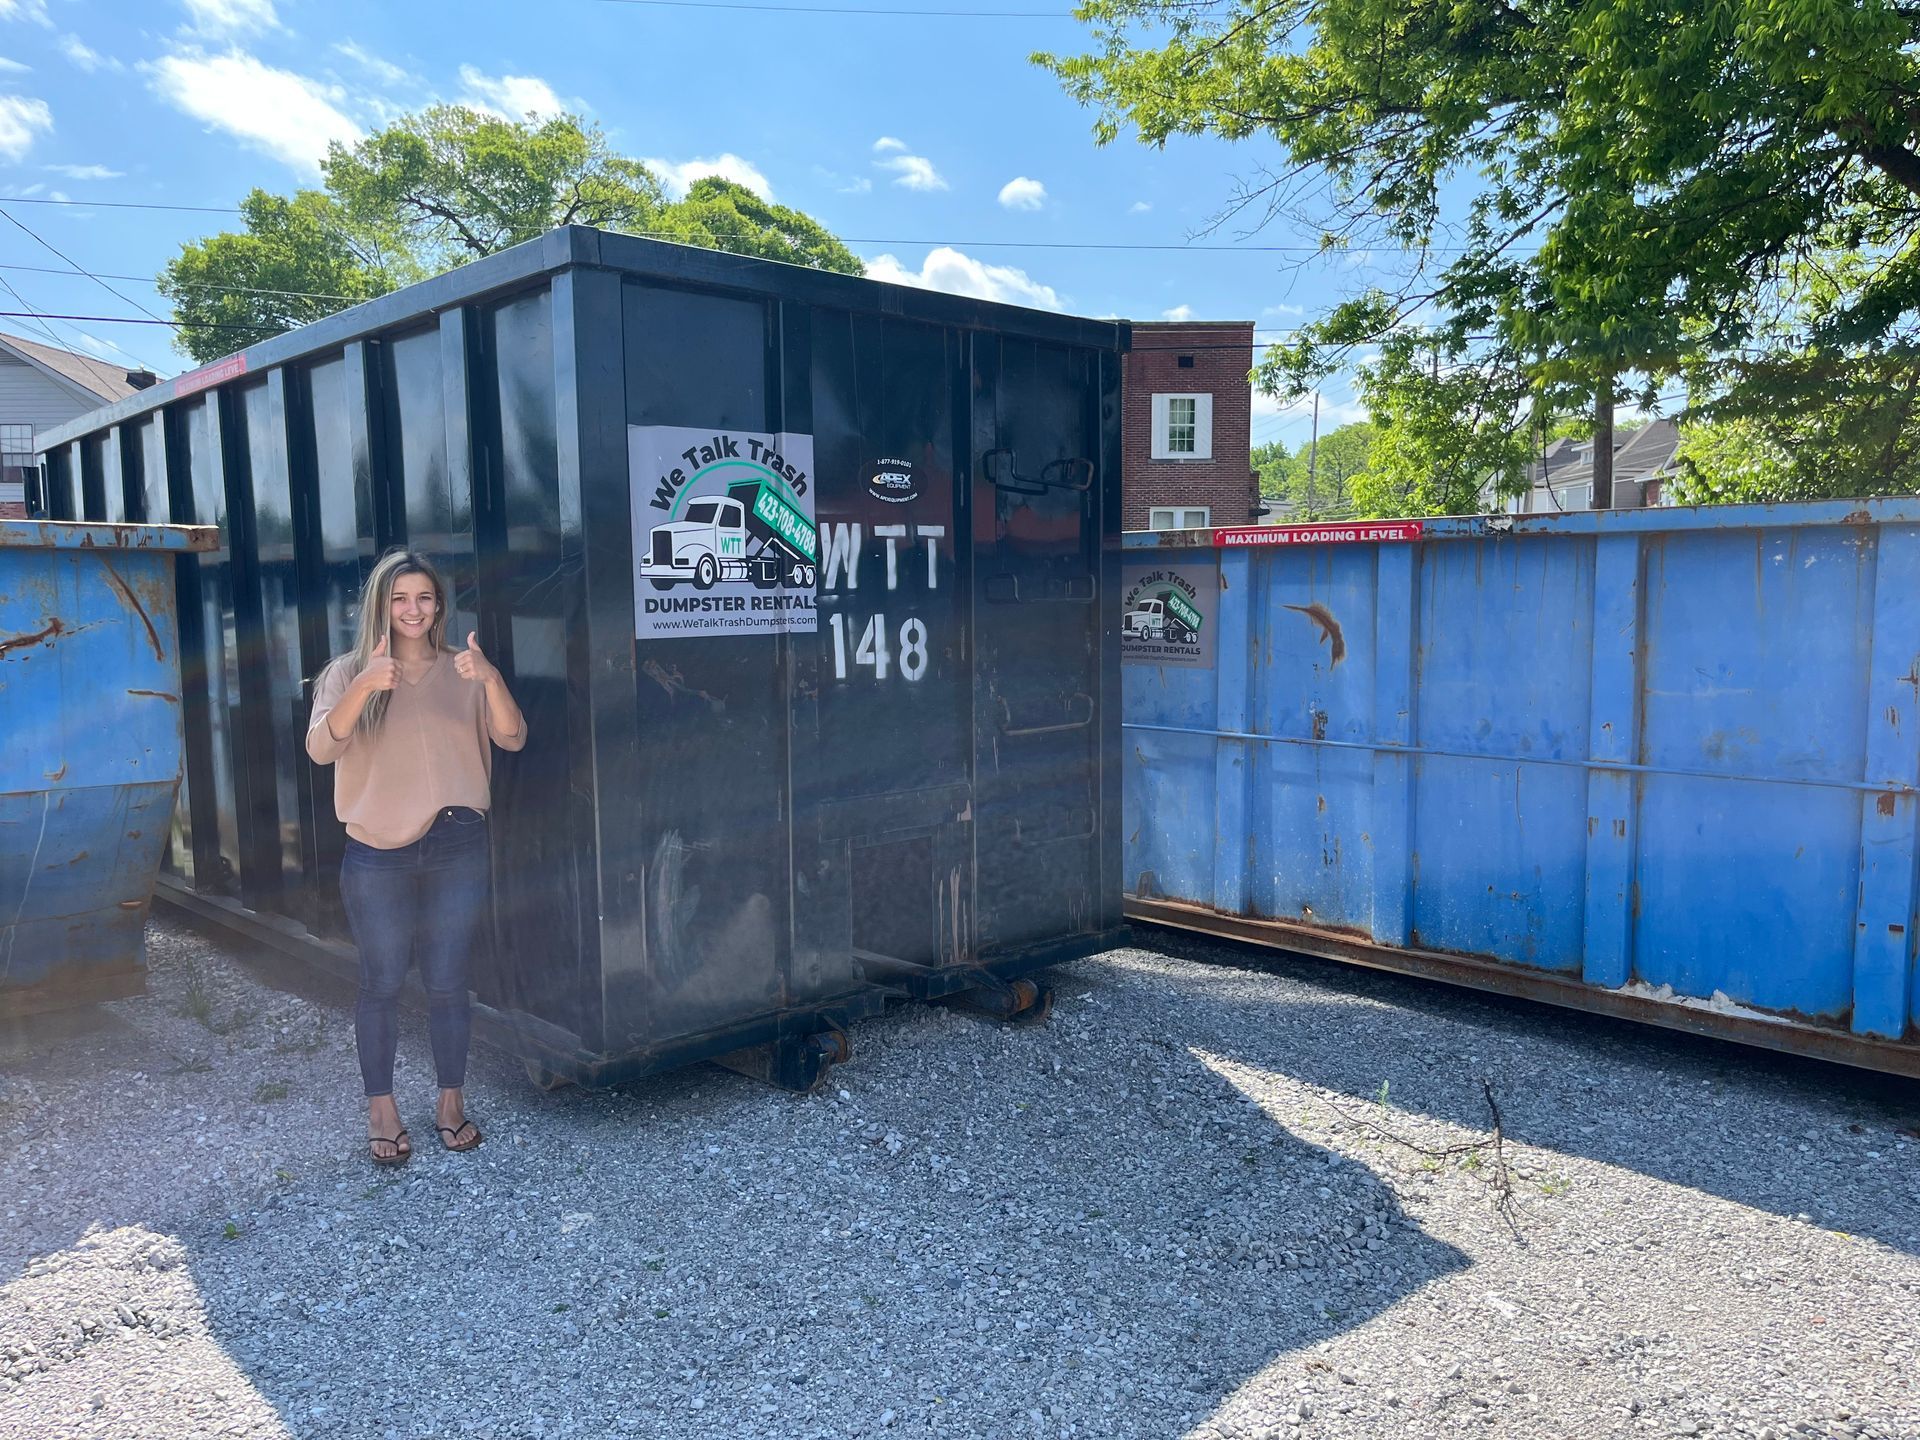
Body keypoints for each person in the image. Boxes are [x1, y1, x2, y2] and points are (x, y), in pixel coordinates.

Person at [305, 549, 526, 1166]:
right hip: (378, 851)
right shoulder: (348, 672)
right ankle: (383, 1109)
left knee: (450, 982)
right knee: (380, 982)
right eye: (400, 598)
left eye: (424, 597)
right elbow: (322, 750)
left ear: (439, 605)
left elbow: (513, 736)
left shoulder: (465, 667)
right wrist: (364, 688)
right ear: (380, 604)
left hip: (457, 842)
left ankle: (450, 1104)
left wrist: (490, 679)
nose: (413, 609)